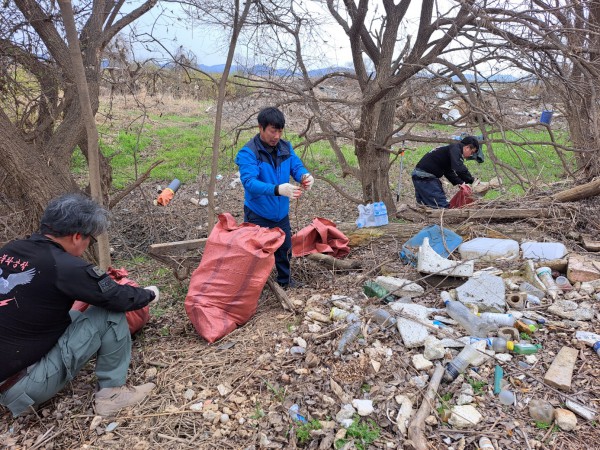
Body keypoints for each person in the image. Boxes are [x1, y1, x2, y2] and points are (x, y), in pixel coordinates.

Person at [0, 193, 159, 417]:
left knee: (73, 315)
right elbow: (117, 297)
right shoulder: (66, 266)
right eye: (90, 240)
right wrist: (150, 294)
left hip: (8, 368)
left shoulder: (9, 251)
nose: (87, 246)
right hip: (21, 387)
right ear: (77, 236)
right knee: (108, 314)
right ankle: (112, 395)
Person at [235, 107, 314, 289]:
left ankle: (285, 281)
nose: (276, 136)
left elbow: (296, 166)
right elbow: (249, 182)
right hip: (258, 212)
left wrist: (305, 176)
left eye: (280, 131)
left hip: (281, 213)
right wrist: (277, 189)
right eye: (272, 131)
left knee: (285, 249)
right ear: (260, 128)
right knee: (256, 253)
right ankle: (253, 287)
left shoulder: (285, 147)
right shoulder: (248, 153)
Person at [411, 136, 484, 208]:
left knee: (424, 207)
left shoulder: (451, 149)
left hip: (419, 176)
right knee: (441, 207)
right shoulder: (455, 149)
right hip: (425, 178)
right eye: (472, 152)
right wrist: (472, 180)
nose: (471, 155)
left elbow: (448, 172)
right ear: (467, 147)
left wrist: (461, 183)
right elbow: (459, 168)